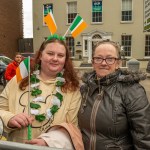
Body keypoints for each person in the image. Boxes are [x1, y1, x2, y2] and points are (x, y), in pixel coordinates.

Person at [0, 35, 82, 148]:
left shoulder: (71, 89)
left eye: (60, 55)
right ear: (41, 55)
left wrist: (49, 142)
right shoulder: (20, 79)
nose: (55, 58)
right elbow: (1, 110)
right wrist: (9, 119)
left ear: (65, 60)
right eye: (50, 53)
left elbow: (72, 128)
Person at [78, 40, 150, 149]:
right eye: (98, 58)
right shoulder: (84, 89)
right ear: (93, 62)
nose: (103, 63)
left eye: (110, 59)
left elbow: (143, 136)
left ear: (118, 63)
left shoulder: (132, 91)